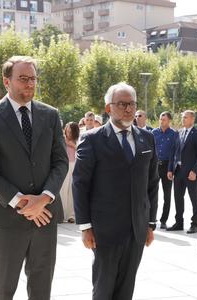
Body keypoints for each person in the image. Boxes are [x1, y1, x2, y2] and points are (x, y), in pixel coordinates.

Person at [0, 56, 68, 300]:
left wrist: (44, 198)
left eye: (33, 78)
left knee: (41, 289)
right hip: (6, 218)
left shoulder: (50, 115)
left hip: (44, 218)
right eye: (23, 78)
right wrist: (23, 202)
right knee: (3, 290)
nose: (29, 84)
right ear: (7, 81)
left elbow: (60, 162)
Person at [73, 82, 159, 300]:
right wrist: (85, 227)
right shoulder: (92, 139)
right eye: (122, 104)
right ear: (109, 108)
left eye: (132, 104)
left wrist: (150, 224)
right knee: (104, 289)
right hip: (105, 232)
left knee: (126, 289)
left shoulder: (146, 138)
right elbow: (80, 184)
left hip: (137, 229)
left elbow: (152, 183)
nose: (129, 109)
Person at [167, 110, 197, 233]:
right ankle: (179, 223)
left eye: (185, 117)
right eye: (182, 117)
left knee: (194, 198)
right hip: (178, 171)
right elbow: (173, 152)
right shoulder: (178, 133)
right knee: (178, 198)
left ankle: (194, 224)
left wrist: (194, 170)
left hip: (190, 173)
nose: (183, 119)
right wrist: (170, 169)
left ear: (192, 119)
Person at [152, 111, 178, 229]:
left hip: (167, 166)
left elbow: (174, 153)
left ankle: (163, 220)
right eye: (160, 119)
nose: (161, 121)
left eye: (164, 119)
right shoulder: (153, 133)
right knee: (152, 194)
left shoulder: (173, 134)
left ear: (169, 121)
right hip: (154, 166)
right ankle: (151, 219)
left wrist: (170, 169)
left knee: (167, 196)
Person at [60, 122, 79, 223]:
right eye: (67, 130)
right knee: (63, 189)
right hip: (63, 165)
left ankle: (71, 215)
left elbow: (80, 150)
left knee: (72, 190)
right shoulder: (61, 138)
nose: (69, 132)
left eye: (71, 131)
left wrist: (72, 144)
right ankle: (62, 215)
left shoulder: (77, 140)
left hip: (74, 165)